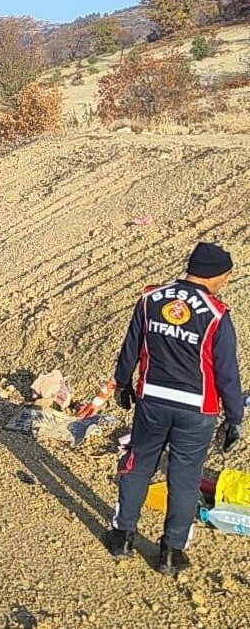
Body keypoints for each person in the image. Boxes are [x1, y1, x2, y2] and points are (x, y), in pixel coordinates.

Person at [104, 242, 243, 575]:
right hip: (197, 409)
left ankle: (123, 535)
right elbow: (226, 372)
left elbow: (131, 348)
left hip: (152, 399)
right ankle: (170, 553)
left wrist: (122, 383)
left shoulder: (150, 299)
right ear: (218, 276)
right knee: (184, 478)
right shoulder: (217, 314)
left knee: (138, 465)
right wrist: (235, 418)